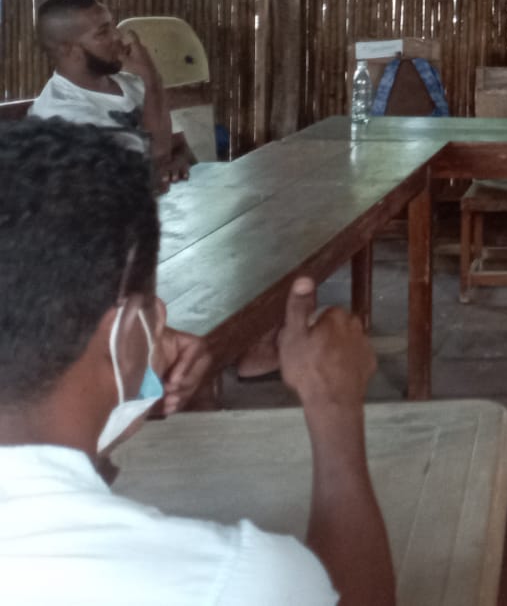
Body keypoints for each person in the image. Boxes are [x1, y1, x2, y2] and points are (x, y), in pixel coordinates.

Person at [0, 118, 396, 606]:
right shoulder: (232, 580)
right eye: (152, 308)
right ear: (122, 334)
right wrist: (334, 408)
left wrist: (113, 410)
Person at [28, 0, 191, 190]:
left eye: (113, 26)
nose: (117, 36)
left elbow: (179, 144)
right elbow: (154, 160)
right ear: (68, 49)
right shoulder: (61, 113)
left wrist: (178, 162)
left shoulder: (132, 83)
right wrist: (152, 79)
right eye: (103, 32)